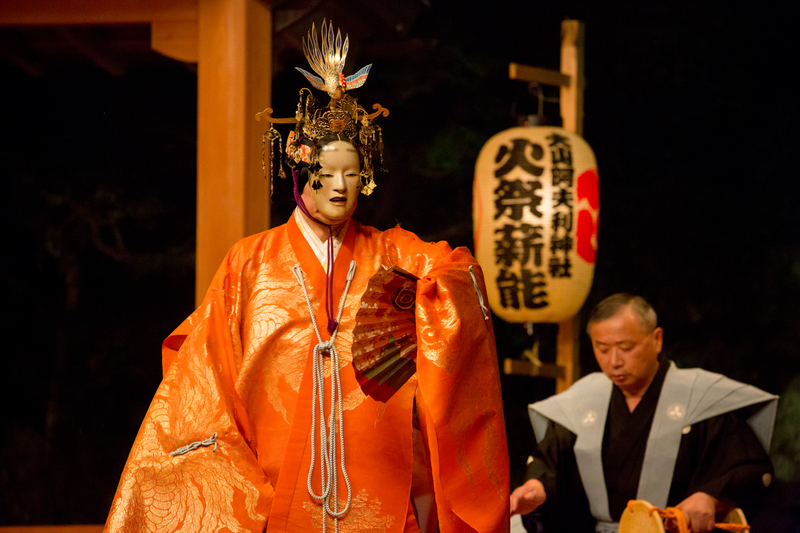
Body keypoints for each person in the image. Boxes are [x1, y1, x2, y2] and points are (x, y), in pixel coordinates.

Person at [104, 21, 509, 533]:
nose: (341, 188)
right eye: (327, 173)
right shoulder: (247, 264)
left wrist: (432, 304)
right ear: (299, 169)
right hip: (276, 502)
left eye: (353, 173)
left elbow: (459, 273)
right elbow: (205, 382)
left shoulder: (398, 254)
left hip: (385, 500)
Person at [509, 293, 777, 533]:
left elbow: (749, 468)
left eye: (626, 348)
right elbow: (551, 462)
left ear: (656, 339)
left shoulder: (701, 397)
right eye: (602, 349)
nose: (614, 361)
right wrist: (538, 488)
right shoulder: (583, 400)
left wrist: (712, 495)